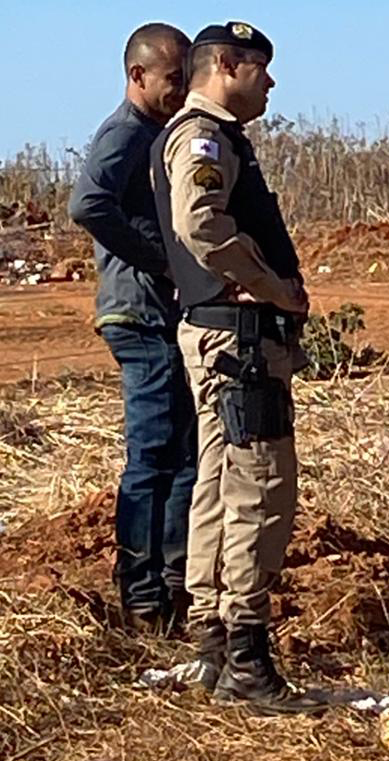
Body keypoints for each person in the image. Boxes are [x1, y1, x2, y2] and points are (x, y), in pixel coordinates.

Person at [151, 21, 321, 714]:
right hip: (240, 338)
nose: (270, 81)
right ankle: (246, 653)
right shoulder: (203, 137)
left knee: (220, 482)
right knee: (260, 486)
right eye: (259, 67)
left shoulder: (217, 139)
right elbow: (202, 224)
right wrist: (273, 286)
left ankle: (215, 641)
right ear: (225, 64)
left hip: (229, 335)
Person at [68, 22, 196, 633]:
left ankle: (173, 582)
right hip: (138, 314)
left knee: (182, 452)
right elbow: (86, 204)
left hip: (160, 313)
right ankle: (142, 593)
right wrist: (156, 256)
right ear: (138, 76)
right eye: (174, 78)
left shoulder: (160, 134)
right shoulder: (125, 133)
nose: (181, 89)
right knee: (152, 454)